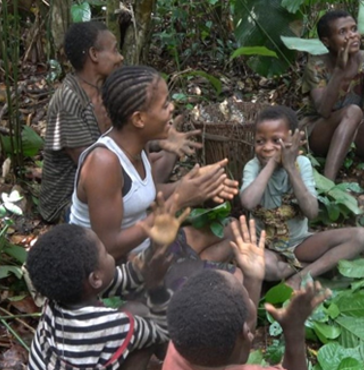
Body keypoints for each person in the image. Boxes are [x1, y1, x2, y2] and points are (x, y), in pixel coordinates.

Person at [68, 65, 240, 291]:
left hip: (148, 247)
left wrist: (193, 185)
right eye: (164, 105)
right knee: (236, 280)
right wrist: (179, 199)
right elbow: (108, 248)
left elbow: (141, 194)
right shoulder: (104, 163)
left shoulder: (138, 145)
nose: (172, 109)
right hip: (116, 271)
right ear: (139, 119)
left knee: (233, 229)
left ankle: (192, 272)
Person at [39, 20, 201, 224]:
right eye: (115, 50)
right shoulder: (69, 101)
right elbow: (94, 168)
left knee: (163, 156)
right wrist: (180, 192)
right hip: (69, 202)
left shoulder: (107, 90)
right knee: (149, 168)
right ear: (94, 55)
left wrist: (161, 141)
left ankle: (158, 197)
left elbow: (125, 138)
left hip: (112, 178)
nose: (121, 57)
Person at [22, 193, 183, 370]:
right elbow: (163, 330)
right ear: (95, 278)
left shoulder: (58, 299)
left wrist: (156, 248)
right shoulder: (116, 327)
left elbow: (128, 277)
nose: (109, 255)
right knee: (147, 334)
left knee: (136, 310)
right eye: (104, 252)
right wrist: (156, 285)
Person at [157, 225, 332, 370]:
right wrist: (294, 330)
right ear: (246, 333)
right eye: (247, 299)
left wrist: (252, 278)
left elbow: (238, 337)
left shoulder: (181, 346)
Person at [240, 105, 364, 289]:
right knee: (267, 266)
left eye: (276, 140)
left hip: (300, 244)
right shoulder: (253, 167)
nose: (267, 147)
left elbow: (311, 212)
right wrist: (271, 165)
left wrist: (290, 168)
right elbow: (248, 201)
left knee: (361, 236)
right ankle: (318, 267)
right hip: (267, 247)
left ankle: (300, 277)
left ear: (293, 141)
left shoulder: (302, 164)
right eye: (260, 141)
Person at [301, 9, 364, 181]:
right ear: (327, 41)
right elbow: (323, 110)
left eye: (354, 29)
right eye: (342, 32)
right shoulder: (317, 65)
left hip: (353, 132)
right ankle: (328, 184)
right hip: (319, 133)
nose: (352, 36)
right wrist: (339, 71)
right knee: (353, 111)